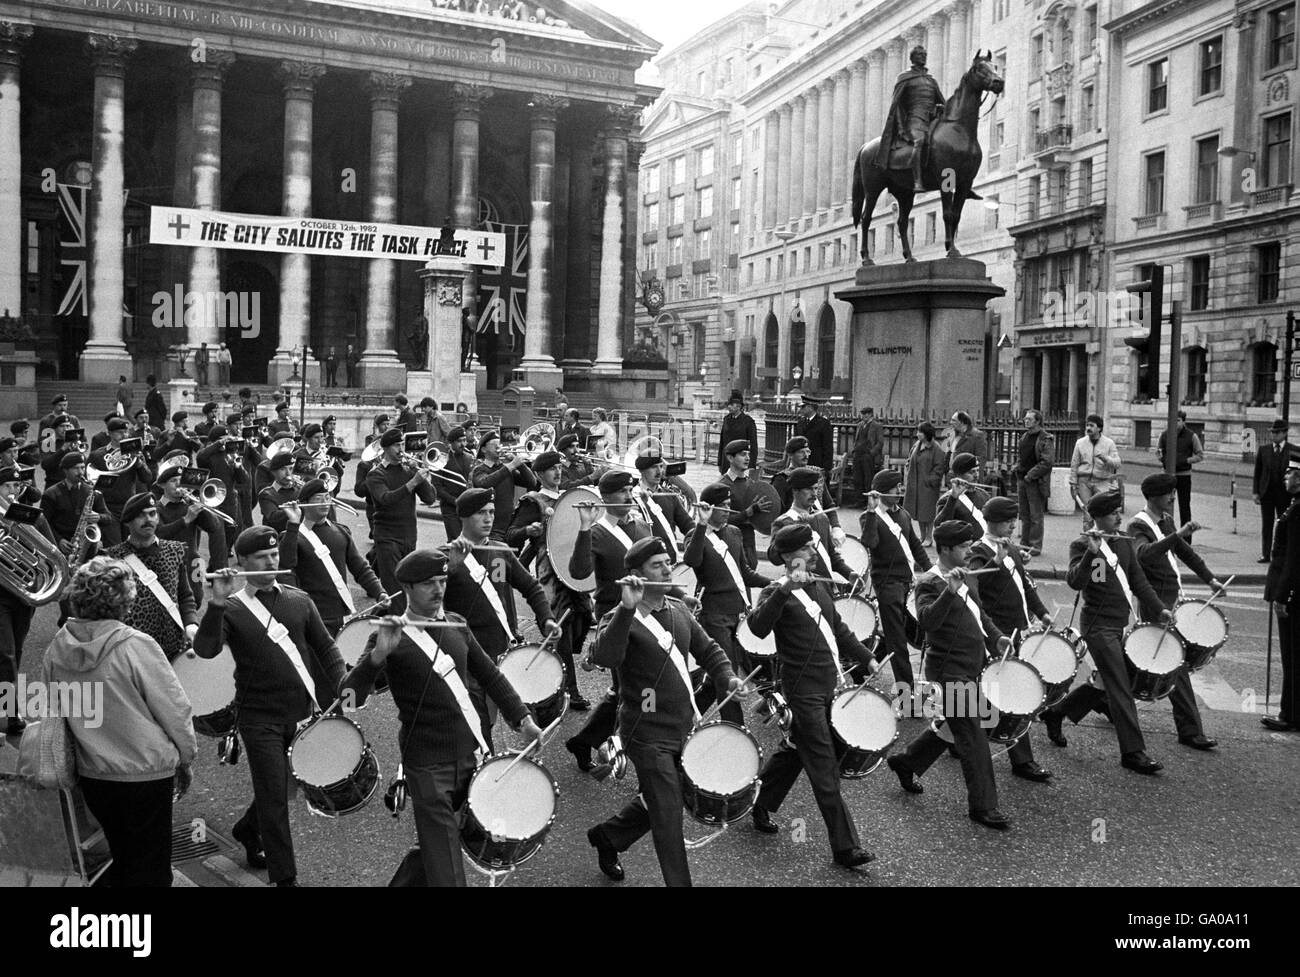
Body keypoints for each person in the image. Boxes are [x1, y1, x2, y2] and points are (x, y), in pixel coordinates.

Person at [342, 550, 543, 886]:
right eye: (428, 584)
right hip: (427, 765)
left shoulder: (456, 624)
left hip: (470, 753)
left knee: (438, 845)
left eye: (442, 580)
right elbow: (348, 698)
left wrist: (522, 719)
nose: (438, 589)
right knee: (447, 864)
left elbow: (490, 675)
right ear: (406, 587)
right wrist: (376, 657)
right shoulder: (388, 636)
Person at [584, 537, 745, 886]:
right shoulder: (618, 616)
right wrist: (627, 608)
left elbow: (710, 650)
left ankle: (609, 837)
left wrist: (727, 677)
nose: (668, 568)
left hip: (683, 729)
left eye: (667, 562)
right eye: (657, 565)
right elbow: (605, 658)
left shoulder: (678, 608)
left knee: (662, 801)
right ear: (637, 575)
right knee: (669, 814)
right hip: (645, 734)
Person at [195, 527, 347, 886]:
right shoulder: (231, 609)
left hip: (300, 713)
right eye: (262, 557)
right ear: (242, 562)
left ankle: (248, 829)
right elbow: (206, 650)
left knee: (280, 790)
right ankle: (285, 878)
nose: (271, 561)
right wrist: (216, 603)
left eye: (274, 554)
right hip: (258, 719)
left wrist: (342, 682)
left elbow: (325, 648)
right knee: (276, 799)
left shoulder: (298, 600)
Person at [42, 556, 198, 886]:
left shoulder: (57, 648)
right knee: (153, 867)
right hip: (146, 773)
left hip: (94, 774)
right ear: (125, 600)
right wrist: (186, 757)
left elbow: (53, 710)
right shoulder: (135, 646)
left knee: (125, 857)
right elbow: (174, 709)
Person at [748, 523, 878, 865]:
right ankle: (846, 848)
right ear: (792, 557)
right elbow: (757, 627)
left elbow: (839, 629)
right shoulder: (776, 591)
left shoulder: (819, 585)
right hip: (802, 691)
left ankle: (756, 800)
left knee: (796, 752)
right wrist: (786, 587)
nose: (813, 553)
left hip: (830, 685)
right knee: (823, 767)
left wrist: (868, 658)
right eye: (807, 549)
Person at [885, 521, 1014, 829]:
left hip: (972, 664)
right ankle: (983, 807)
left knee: (953, 727)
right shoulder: (929, 583)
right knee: (973, 736)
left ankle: (907, 761)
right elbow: (927, 622)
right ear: (944, 550)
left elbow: (978, 613)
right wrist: (950, 592)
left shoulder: (963, 574)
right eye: (963, 547)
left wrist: (996, 636)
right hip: (950, 671)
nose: (969, 551)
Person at [1040, 491, 1171, 774]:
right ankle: (1133, 753)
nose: (1119, 517)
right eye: (1113, 514)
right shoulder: (1082, 544)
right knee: (1121, 687)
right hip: (1098, 628)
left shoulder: (1124, 543)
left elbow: (1137, 581)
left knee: (1106, 682)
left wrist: (1160, 609)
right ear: (1098, 517)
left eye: (1119, 512)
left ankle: (1057, 712)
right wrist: (1091, 552)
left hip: (1119, 625)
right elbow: (1075, 581)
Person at [442, 487, 558, 745]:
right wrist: (450, 568)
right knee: (477, 721)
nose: (488, 518)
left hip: (501, 649)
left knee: (505, 714)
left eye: (492, 512)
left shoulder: (500, 550)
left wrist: (546, 618)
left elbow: (531, 586)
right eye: (480, 513)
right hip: (469, 656)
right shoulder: (445, 555)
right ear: (463, 518)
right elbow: (430, 607)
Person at [1121, 472, 1225, 750]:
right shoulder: (1137, 526)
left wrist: (1210, 578)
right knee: (1175, 664)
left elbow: (1185, 552)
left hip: (1171, 601)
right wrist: (1176, 535)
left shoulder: (1165, 521)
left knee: (1142, 665)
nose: (1173, 497)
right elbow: (1144, 555)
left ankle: (1090, 702)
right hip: (1154, 603)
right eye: (1168, 494)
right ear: (1154, 496)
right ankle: (1190, 730)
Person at [564, 469, 655, 770]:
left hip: (646, 615)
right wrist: (584, 528)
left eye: (630, 490)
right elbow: (578, 572)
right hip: (615, 618)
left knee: (631, 687)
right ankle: (645, 757)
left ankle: (586, 741)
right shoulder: (598, 531)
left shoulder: (642, 524)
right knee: (633, 688)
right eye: (621, 492)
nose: (629, 496)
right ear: (604, 498)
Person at [965, 498, 1055, 782]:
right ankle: (1022, 759)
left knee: (974, 703)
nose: (1014, 526)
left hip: (1016, 631)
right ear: (992, 522)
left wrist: (1041, 612)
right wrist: (994, 562)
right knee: (1014, 695)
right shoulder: (977, 552)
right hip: (997, 635)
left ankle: (942, 741)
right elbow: (973, 592)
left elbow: (1025, 586)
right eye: (1008, 522)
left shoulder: (1012, 548)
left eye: (1014, 521)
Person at [682, 483, 772, 725]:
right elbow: (692, 560)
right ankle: (736, 727)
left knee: (718, 677)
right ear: (708, 508)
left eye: (729, 506)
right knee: (728, 675)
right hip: (714, 616)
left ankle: (685, 717)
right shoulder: (696, 535)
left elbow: (745, 573)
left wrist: (773, 582)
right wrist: (701, 524)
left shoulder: (734, 532)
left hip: (738, 613)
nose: (727, 511)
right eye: (721, 507)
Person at [507, 450, 591, 709]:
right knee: (559, 631)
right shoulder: (534, 501)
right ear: (540, 474)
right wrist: (528, 530)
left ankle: (551, 677)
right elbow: (510, 534)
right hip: (550, 574)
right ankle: (566, 691)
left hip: (574, 570)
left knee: (582, 620)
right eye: (551, 469)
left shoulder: (568, 498)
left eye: (559, 467)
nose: (557, 472)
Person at [274, 479, 387, 636]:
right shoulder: (293, 536)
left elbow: (359, 567)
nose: (325, 503)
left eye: (327, 497)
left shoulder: (341, 532)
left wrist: (379, 592)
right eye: (318, 499)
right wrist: (293, 523)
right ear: (304, 503)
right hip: (314, 616)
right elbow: (286, 567)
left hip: (343, 614)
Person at [103, 492, 199, 663]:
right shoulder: (112, 559)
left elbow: (185, 595)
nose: (148, 520)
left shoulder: (175, 550)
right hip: (131, 652)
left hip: (172, 649)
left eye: (152, 513)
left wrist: (191, 624)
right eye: (141, 515)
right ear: (128, 521)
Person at [858, 468, 931, 689]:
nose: (900, 491)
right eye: (895, 488)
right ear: (881, 493)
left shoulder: (903, 514)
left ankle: (862, 668)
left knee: (894, 633)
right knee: (898, 641)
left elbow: (915, 546)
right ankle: (906, 692)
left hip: (906, 583)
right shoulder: (868, 517)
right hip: (887, 585)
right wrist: (871, 512)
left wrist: (931, 570)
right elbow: (870, 543)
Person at [0, 466, 58, 734]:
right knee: (6, 653)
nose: (14, 492)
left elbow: (51, 552)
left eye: (17, 487)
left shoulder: (31, 516)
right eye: (7, 487)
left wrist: (24, 536)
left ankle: (6, 702)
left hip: (23, 594)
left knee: (16, 652)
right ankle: (10, 714)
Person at [366, 428, 437, 595]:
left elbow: (430, 498)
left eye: (402, 444)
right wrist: (413, 482)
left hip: (409, 537)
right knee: (395, 590)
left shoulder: (408, 470)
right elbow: (385, 499)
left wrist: (421, 476)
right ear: (385, 448)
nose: (401, 449)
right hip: (387, 538)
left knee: (407, 587)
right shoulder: (376, 474)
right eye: (396, 445)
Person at [766, 467, 857, 582]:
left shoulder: (821, 518)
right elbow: (774, 558)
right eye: (808, 489)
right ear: (795, 491)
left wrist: (849, 573)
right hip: (799, 584)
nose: (814, 494)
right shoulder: (783, 522)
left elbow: (832, 556)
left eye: (815, 489)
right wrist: (797, 528)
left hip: (825, 587)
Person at [874, 45, 945, 192]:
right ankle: (917, 181)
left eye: (924, 54)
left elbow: (941, 101)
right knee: (919, 142)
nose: (923, 57)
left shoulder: (931, 80)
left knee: (948, 144)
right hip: (914, 119)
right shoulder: (904, 77)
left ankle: (951, 185)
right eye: (919, 55)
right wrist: (900, 127)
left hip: (932, 119)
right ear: (913, 58)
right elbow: (897, 104)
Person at [1264, 450, 1300, 732]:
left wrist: (1283, 596)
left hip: (1293, 596)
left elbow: (1293, 559)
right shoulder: (1294, 504)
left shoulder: (1297, 509)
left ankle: (1290, 714)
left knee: (1292, 656)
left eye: (1290, 472)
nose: (1285, 476)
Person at [153, 462, 230, 587]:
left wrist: (202, 506)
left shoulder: (189, 506)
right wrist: (185, 520)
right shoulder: (156, 508)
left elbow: (214, 527)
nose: (179, 484)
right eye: (173, 480)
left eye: (180, 480)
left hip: (193, 562)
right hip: (167, 563)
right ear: (162, 485)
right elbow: (159, 533)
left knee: (198, 598)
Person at [471, 429, 539, 540]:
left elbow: (532, 482)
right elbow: (484, 483)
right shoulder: (480, 470)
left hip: (509, 525)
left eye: (500, 444)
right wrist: (511, 465)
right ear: (484, 449)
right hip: (491, 526)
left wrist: (520, 465)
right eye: (495, 445)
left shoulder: (506, 469)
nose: (499, 448)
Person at [41, 451, 111, 559]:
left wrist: (99, 517)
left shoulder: (92, 491)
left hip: (87, 546)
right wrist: (59, 540)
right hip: (61, 547)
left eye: (82, 468)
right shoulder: (51, 494)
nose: (81, 472)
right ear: (65, 470)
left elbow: (108, 518)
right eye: (76, 468)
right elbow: (43, 523)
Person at [719, 440, 772, 569]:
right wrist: (748, 513)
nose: (748, 458)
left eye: (748, 454)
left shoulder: (751, 483)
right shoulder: (722, 486)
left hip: (749, 543)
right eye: (743, 454)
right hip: (731, 544)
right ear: (730, 458)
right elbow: (721, 521)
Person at [632, 453, 692, 562]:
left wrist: (693, 540)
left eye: (660, 466)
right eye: (654, 467)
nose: (659, 472)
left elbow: (687, 524)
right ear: (641, 471)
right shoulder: (633, 497)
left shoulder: (670, 495)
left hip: (671, 559)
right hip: (648, 561)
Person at [1069, 413, 1121, 528]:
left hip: (1102, 482)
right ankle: (1088, 541)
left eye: (1092, 426)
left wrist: (1105, 458)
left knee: (1102, 512)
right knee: (1087, 514)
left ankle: (1103, 540)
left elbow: (1117, 463)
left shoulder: (1109, 443)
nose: (1088, 428)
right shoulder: (1080, 443)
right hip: (1084, 482)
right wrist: (1073, 483)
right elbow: (1074, 464)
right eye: (1087, 425)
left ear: (1099, 428)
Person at [1015, 409, 1055, 557]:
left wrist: (1031, 475)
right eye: (1025, 419)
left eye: (1029, 419)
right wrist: (1018, 468)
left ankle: (1035, 546)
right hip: (1022, 479)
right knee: (1024, 514)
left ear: (1037, 421)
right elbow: (1022, 456)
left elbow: (1047, 462)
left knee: (1036, 516)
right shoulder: (1024, 437)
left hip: (1035, 481)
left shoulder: (1045, 438)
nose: (1026, 421)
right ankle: (1024, 544)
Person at [1254, 419, 1294, 563]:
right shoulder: (1264, 450)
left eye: (1277, 433)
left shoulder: (1293, 450)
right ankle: (1265, 553)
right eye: (1272, 432)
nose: (1274, 435)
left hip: (1285, 494)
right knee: (1267, 524)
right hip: (1267, 493)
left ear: (1284, 433)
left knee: (1284, 524)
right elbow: (1257, 473)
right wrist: (1256, 492)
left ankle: (1282, 553)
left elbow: (1296, 475)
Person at [1156, 409, 1204, 525]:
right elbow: (1158, 451)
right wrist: (1163, 459)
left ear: (1183, 422)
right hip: (1167, 475)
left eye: (1178, 420)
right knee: (1165, 505)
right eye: (1172, 420)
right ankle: (1165, 533)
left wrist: (1187, 461)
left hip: (1184, 476)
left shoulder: (1191, 436)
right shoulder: (1164, 435)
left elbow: (1200, 455)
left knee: (1184, 507)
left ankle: (1186, 538)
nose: (1175, 423)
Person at [904, 421, 945, 546]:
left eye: (920, 432)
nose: (918, 434)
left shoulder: (936, 448)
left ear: (926, 433)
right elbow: (911, 457)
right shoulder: (917, 444)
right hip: (915, 484)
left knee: (928, 512)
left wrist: (930, 480)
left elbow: (939, 467)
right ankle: (922, 536)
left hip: (928, 487)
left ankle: (928, 537)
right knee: (918, 511)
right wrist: (908, 463)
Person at [434, 426, 474, 541]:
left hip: (467, 507)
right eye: (459, 441)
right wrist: (454, 501)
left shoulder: (469, 457)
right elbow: (437, 487)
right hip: (450, 508)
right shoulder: (440, 459)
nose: (463, 444)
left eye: (464, 440)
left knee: (469, 542)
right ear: (450, 443)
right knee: (456, 541)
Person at [936, 452, 990, 536]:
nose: (976, 475)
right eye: (971, 472)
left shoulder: (984, 495)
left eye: (977, 471)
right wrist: (953, 498)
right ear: (959, 475)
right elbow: (940, 526)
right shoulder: (947, 499)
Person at [717, 391, 757, 475]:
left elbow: (753, 445)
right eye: (728, 404)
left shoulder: (748, 421)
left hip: (740, 462)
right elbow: (722, 442)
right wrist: (719, 462)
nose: (729, 407)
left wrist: (751, 465)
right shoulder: (726, 419)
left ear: (738, 406)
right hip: (727, 461)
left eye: (731, 404)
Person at [851, 407, 883, 505]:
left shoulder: (877, 426)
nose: (864, 416)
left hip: (868, 456)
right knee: (857, 478)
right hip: (858, 455)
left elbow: (880, 442)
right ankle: (858, 501)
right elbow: (856, 440)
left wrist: (871, 453)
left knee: (868, 479)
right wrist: (854, 451)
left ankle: (868, 502)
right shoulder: (860, 425)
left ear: (871, 414)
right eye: (863, 414)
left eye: (867, 414)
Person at [795, 394, 834, 473]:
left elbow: (828, 447)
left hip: (817, 464)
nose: (800, 410)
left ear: (810, 407)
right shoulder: (800, 422)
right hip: (801, 464)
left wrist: (826, 468)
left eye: (803, 407)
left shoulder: (823, 423)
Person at [257, 452, 300, 523]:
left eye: (291, 469)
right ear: (273, 472)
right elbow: (273, 517)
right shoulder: (266, 494)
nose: (288, 474)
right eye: (282, 469)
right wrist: (298, 506)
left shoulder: (299, 489)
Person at [947, 410, 988, 479]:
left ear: (962, 422)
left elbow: (981, 460)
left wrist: (968, 476)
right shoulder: (953, 435)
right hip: (954, 479)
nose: (951, 422)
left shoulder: (977, 436)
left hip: (967, 481)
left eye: (954, 420)